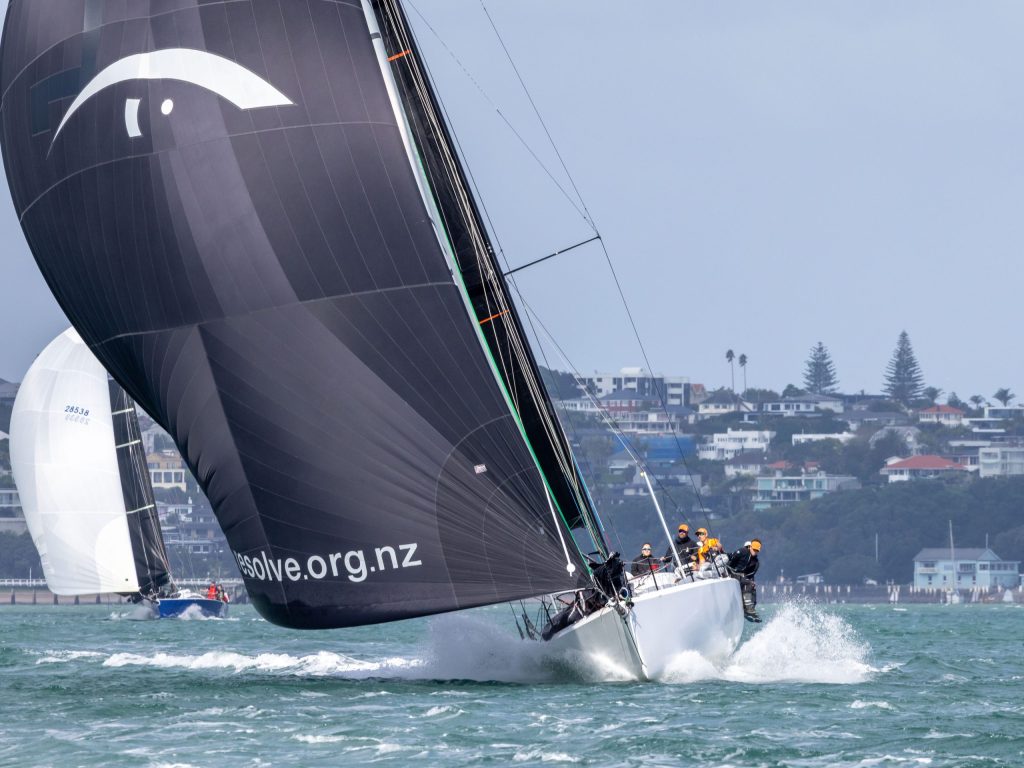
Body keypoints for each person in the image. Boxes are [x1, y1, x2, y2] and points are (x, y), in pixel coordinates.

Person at [728, 539, 762, 622]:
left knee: (752, 585)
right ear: (750, 547)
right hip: (732, 573)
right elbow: (731, 558)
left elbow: (751, 575)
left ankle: (751, 609)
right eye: (754, 549)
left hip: (742, 577)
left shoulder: (756, 562)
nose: (755, 551)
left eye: (757, 550)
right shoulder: (743, 551)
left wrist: (748, 580)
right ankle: (748, 608)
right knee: (749, 583)